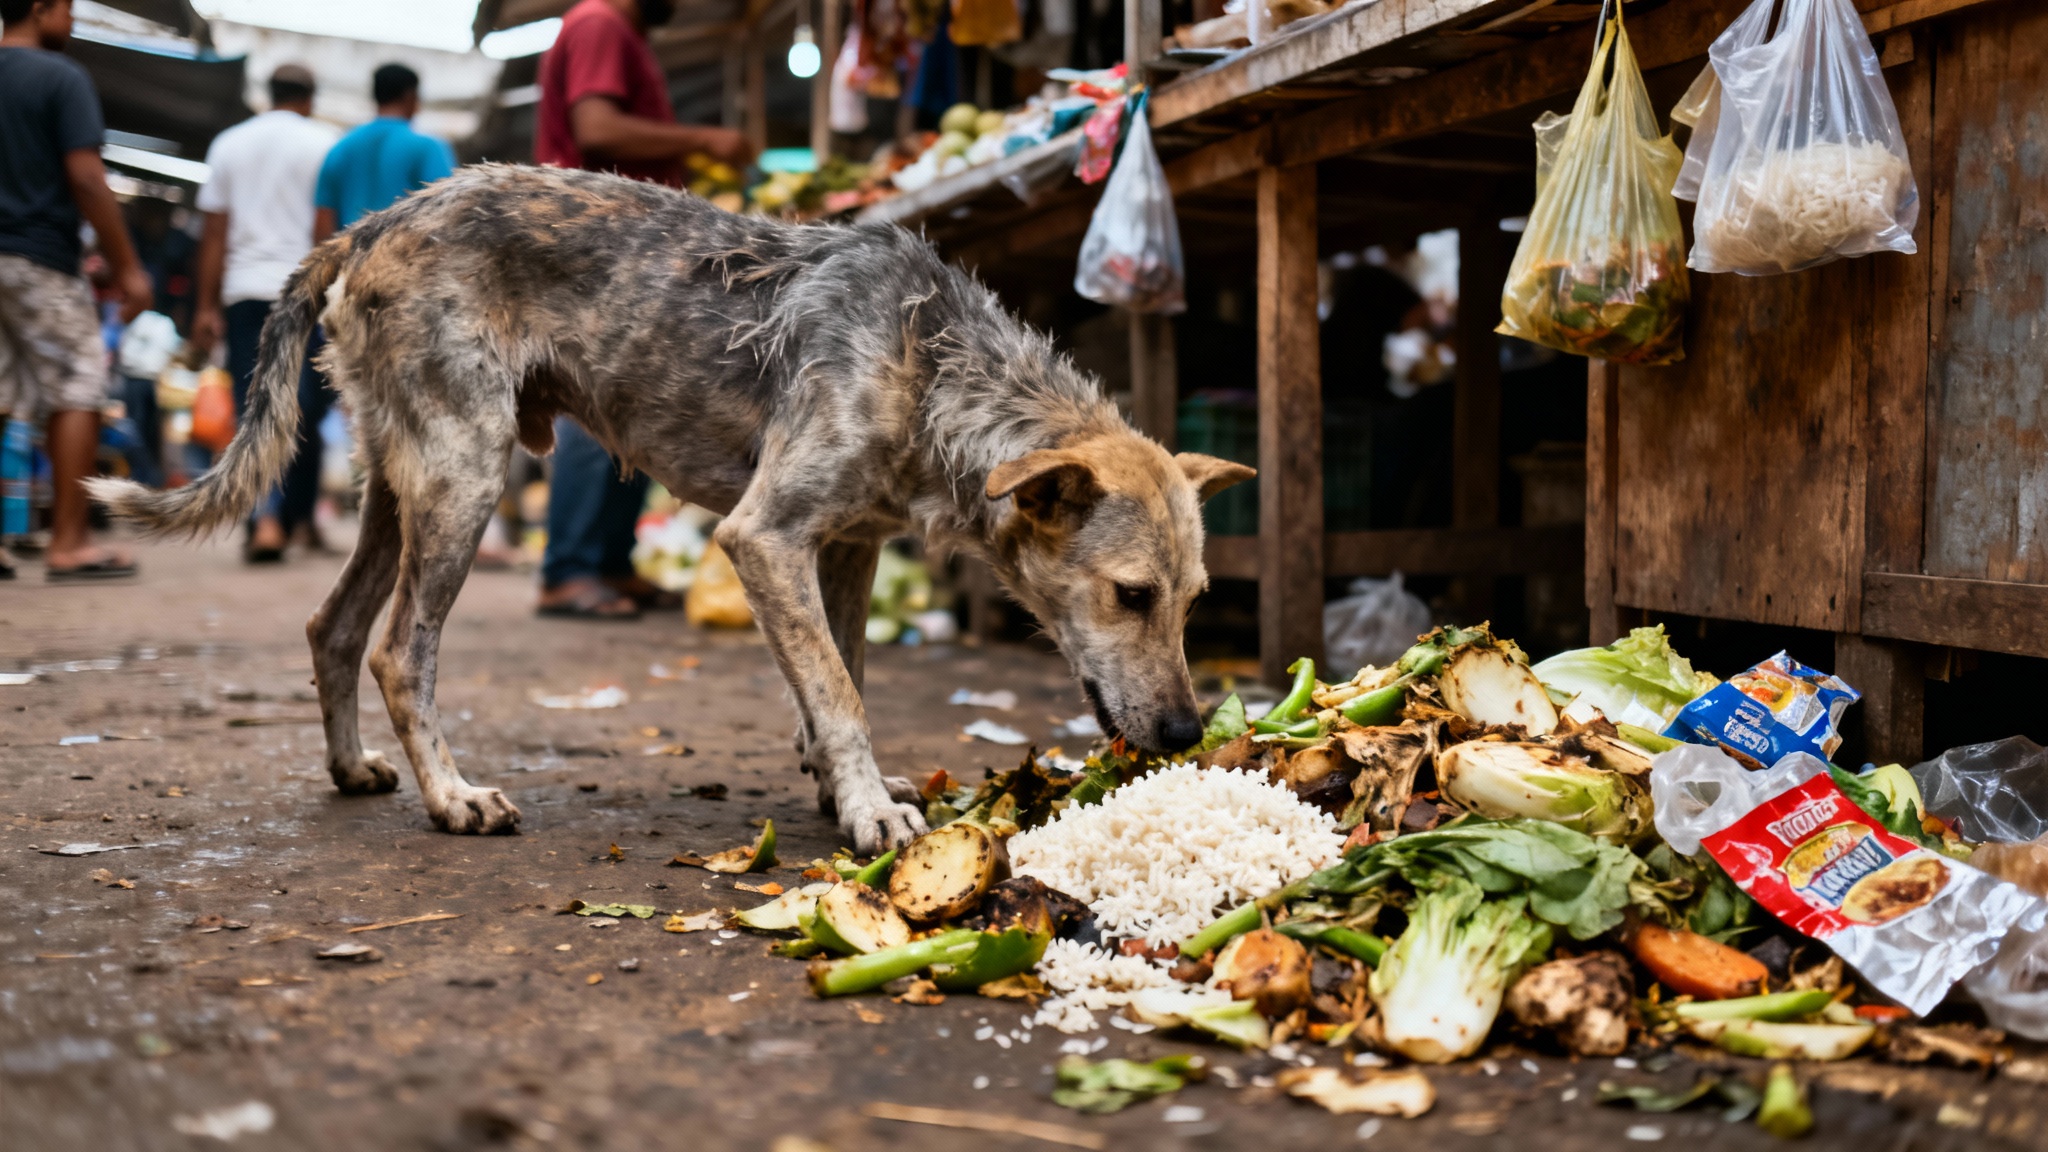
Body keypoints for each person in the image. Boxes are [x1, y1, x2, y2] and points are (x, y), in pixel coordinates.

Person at [531, 0, 751, 618]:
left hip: (616, 244)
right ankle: (568, 568)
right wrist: (705, 137)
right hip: (599, 246)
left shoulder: (615, 29)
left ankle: (605, 563)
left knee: (628, 404)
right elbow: (596, 128)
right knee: (591, 402)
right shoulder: (601, 22)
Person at [0, 0, 151, 581]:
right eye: (67, 8)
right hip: (37, 255)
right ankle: (69, 542)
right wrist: (128, 267)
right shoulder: (61, 77)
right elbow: (87, 177)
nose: (74, 21)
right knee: (80, 386)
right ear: (41, 9)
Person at [279, 63, 455, 550]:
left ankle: (373, 522)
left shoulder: (340, 151)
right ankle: (410, 525)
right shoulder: (426, 148)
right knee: (416, 412)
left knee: (365, 414)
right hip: (410, 299)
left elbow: (323, 235)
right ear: (412, 97)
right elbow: (445, 230)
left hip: (351, 298)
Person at [190, 63, 334, 562]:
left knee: (258, 408)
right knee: (302, 409)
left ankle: (272, 518)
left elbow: (213, 234)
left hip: (245, 291)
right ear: (310, 96)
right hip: (304, 292)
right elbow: (326, 231)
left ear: (267, 95)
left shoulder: (229, 144)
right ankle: (286, 520)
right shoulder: (324, 143)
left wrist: (205, 305)